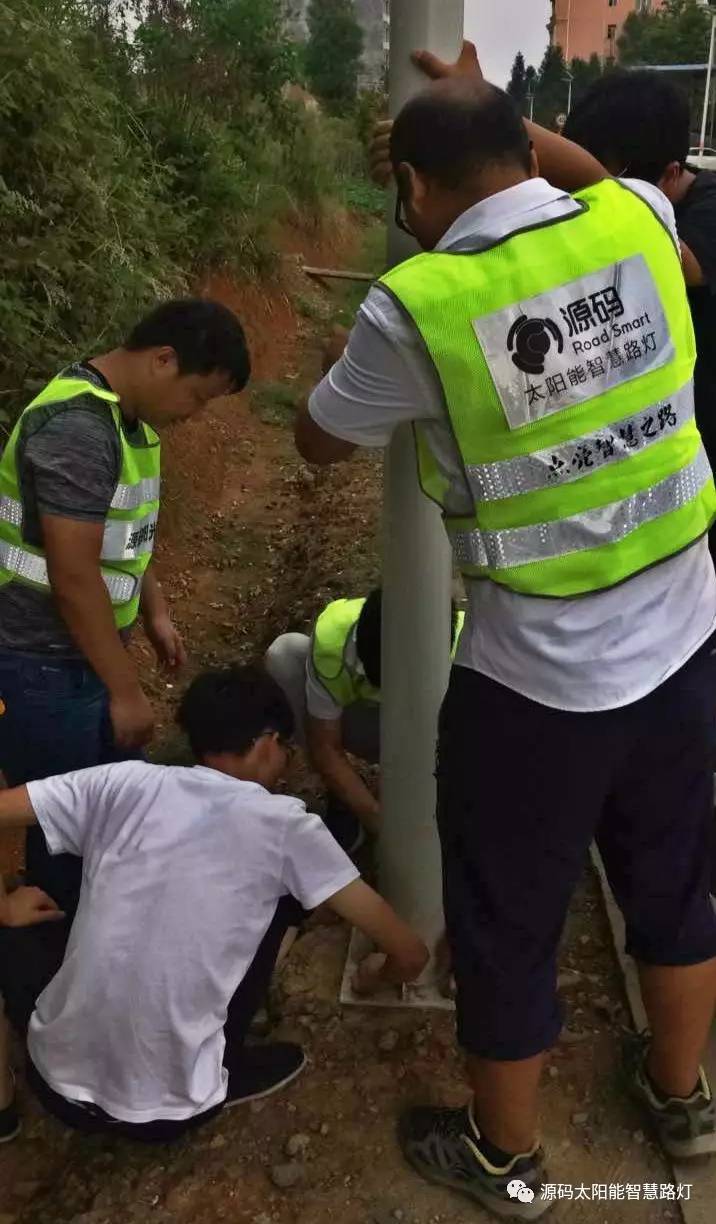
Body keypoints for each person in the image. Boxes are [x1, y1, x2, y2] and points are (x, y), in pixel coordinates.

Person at [295, 73, 716, 1219]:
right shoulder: (637, 219)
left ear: (412, 185)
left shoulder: (417, 303)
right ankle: (680, 1096)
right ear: (525, 152)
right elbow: (586, 181)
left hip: (538, 682)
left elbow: (320, 440)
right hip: (682, 641)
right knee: (675, 884)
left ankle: (500, 1153)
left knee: (505, 915)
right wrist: (501, 117)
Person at [0, 665, 427, 1141]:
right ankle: (227, 1064)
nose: (286, 766)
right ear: (267, 742)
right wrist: (374, 976)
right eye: (287, 751)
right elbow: (409, 953)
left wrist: (3, 904)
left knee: (18, 930)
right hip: (168, 1118)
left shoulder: (122, 783)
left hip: (52, 1087)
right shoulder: (284, 826)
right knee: (283, 899)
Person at [0, 297, 251, 919]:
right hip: (41, 663)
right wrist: (127, 692)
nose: (193, 417)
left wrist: (155, 608)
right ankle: (51, 962)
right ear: (163, 360)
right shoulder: (80, 430)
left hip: (78, 656)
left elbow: (123, 540)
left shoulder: (126, 423)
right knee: (68, 821)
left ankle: (100, 929)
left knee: (105, 809)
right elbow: (74, 575)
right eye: (197, 397)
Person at [562, 70, 716, 559]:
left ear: (670, 175)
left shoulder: (708, 208)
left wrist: (505, 125)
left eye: (608, 189)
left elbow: (674, 258)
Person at [265, 589, 464, 851]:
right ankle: (345, 803)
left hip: (435, 738)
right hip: (370, 724)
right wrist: (372, 814)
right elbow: (324, 744)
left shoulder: (468, 650)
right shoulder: (334, 641)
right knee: (285, 656)